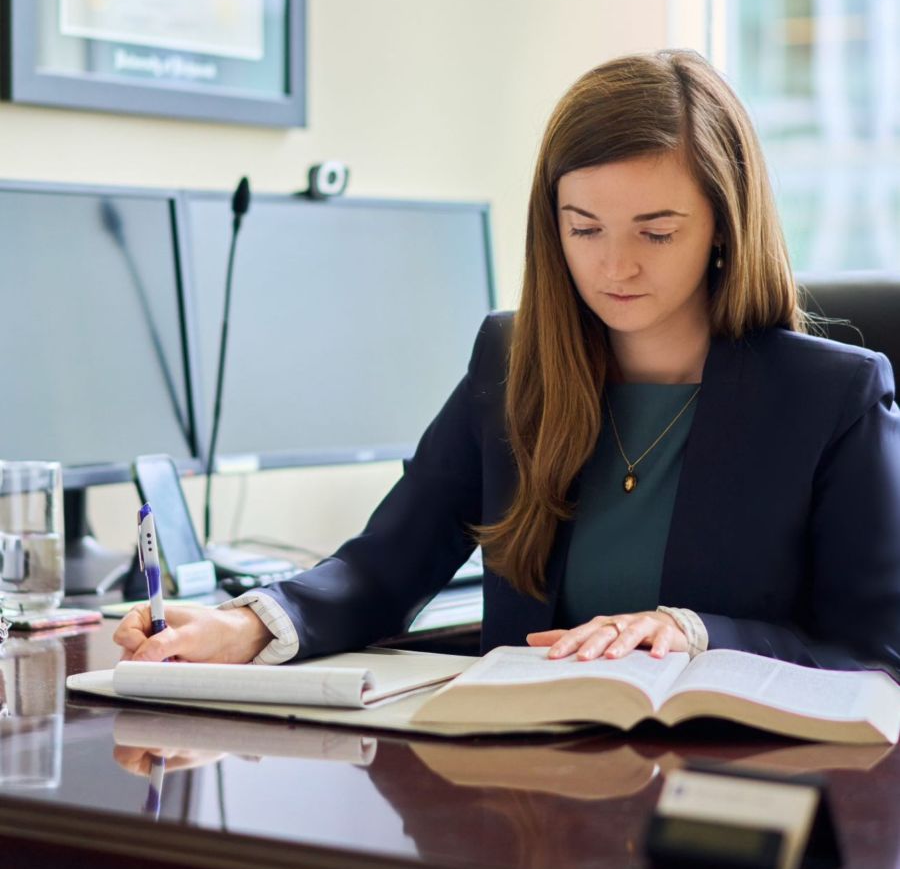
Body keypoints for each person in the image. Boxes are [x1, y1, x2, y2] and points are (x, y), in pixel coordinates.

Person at [115, 50, 900, 676]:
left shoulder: (832, 399)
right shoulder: (512, 361)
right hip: (532, 796)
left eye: (656, 233)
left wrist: (693, 633)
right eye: (584, 229)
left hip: (733, 801)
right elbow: (385, 568)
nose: (615, 267)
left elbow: (874, 656)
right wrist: (244, 623)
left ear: (723, 227)